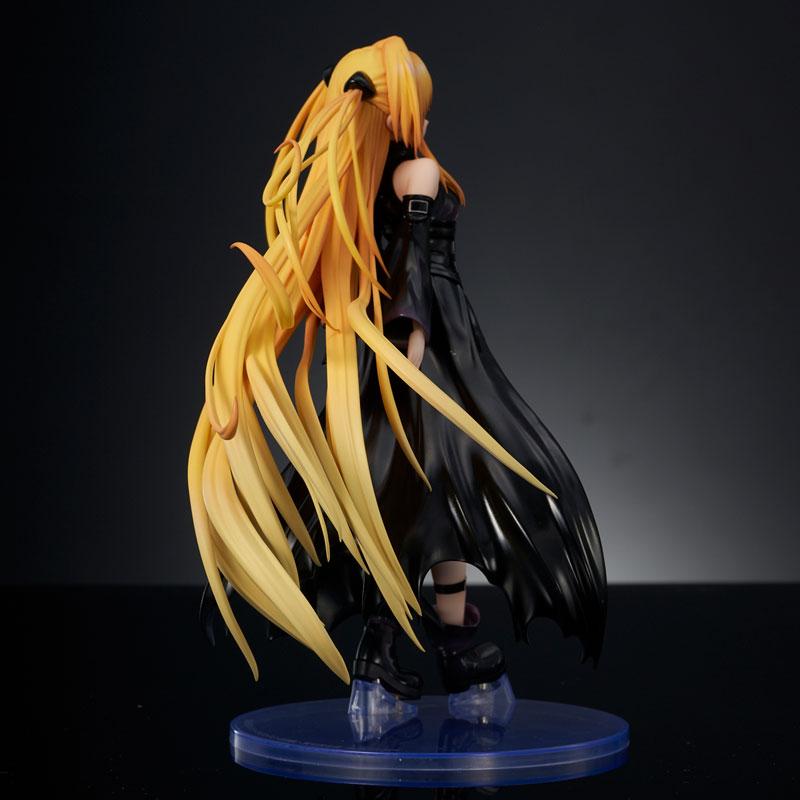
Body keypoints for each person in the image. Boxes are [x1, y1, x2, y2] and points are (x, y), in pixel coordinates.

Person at [191, 35, 607, 699]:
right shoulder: (417, 176)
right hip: (429, 346)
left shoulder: (375, 176)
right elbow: (413, 261)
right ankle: (395, 645)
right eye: (420, 107)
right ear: (401, 114)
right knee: (427, 492)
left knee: (437, 500)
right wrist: (412, 338)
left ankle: (437, 643)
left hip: (422, 343)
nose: (428, 120)